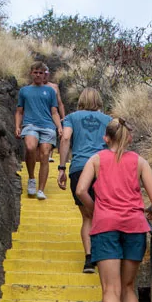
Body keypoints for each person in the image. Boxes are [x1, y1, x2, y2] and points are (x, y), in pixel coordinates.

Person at [75, 118, 152, 302]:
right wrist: (149, 212)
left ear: (106, 138)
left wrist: (97, 210)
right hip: (135, 227)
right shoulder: (139, 162)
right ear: (130, 138)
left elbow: (81, 189)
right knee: (127, 287)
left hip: (105, 228)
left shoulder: (96, 160)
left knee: (110, 289)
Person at [57, 88, 112, 273]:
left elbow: (65, 139)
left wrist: (62, 167)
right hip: (103, 168)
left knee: (87, 216)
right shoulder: (108, 120)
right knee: (104, 212)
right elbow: (115, 145)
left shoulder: (71, 118)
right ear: (99, 100)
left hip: (79, 168)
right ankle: (105, 255)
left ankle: (89, 259)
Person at [15, 61, 62, 200]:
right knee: (30, 148)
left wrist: (59, 127)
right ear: (31, 73)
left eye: (41, 73)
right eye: (35, 72)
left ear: (44, 75)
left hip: (48, 126)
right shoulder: (24, 91)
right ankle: (31, 178)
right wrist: (17, 126)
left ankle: (41, 189)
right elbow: (19, 111)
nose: (38, 75)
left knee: (45, 154)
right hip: (30, 125)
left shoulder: (50, 91)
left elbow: (54, 111)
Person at [44, 67, 65, 162]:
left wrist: (63, 117)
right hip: (41, 113)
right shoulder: (33, 87)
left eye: (46, 73)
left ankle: (49, 155)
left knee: (52, 133)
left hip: (53, 113)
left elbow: (60, 103)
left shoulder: (54, 87)